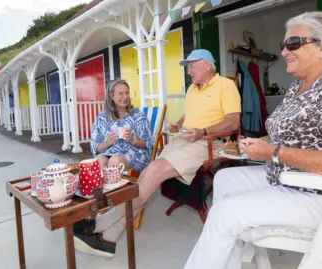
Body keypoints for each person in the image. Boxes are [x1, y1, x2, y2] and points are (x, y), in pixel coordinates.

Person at [183, 11, 322, 269]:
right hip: (298, 178)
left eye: (293, 44)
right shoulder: (300, 86)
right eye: (284, 45)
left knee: (226, 214)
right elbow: (291, 134)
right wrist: (254, 145)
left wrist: (274, 153)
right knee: (224, 179)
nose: (283, 52)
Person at [73, 49, 241, 257]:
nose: (188, 70)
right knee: (145, 177)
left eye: (192, 65)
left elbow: (233, 121)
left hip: (208, 142)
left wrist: (203, 131)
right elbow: (189, 116)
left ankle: (101, 221)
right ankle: (109, 238)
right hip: (184, 140)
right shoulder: (192, 89)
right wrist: (178, 124)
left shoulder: (225, 85)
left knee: (154, 171)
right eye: (188, 66)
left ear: (207, 64)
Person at [73, 79, 153, 257]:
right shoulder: (102, 118)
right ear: (111, 96)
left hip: (134, 155)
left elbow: (148, 143)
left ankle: (104, 212)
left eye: (127, 92)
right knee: (99, 162)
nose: (125, 97)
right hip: (110, 153)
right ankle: (99, 207)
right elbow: (96, 148)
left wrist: (132, 139)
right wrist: (106, 142)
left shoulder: (138, 115)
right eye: (120, 93)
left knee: (114, 162)